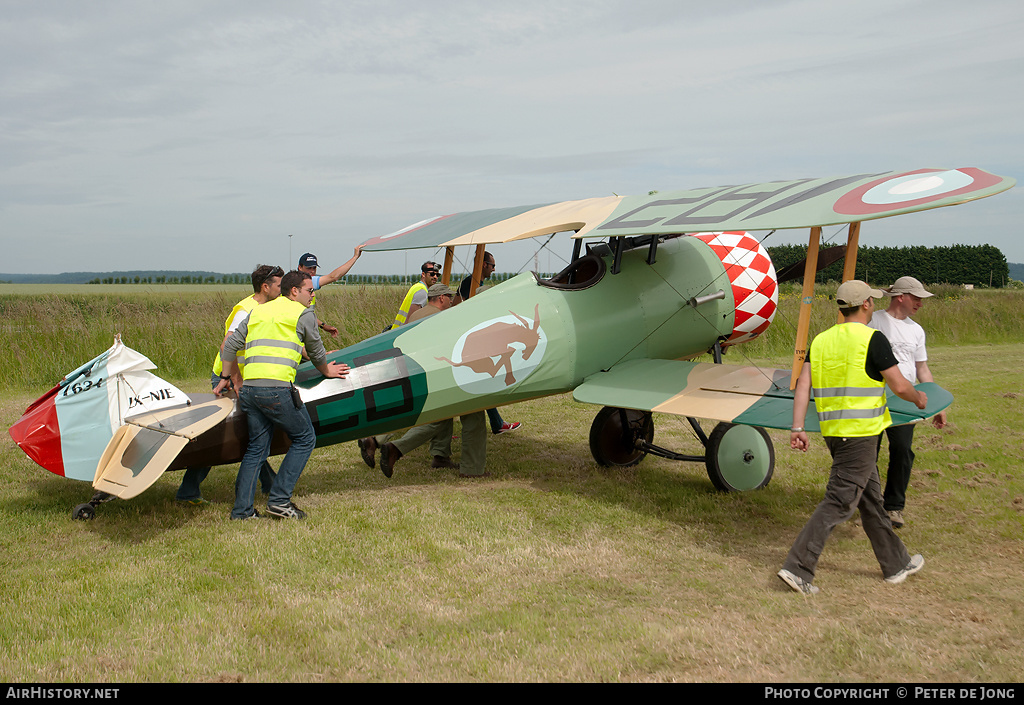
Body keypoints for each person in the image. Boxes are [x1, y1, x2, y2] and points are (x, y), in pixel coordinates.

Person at [778, 280, 928, 595]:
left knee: (872, 501)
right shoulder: (873, 339)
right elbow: (900, 386)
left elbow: (803, 385)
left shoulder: (821, 340)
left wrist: (797, 427)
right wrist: (919, 400)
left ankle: (896, 563)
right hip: (859, 436)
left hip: (835, 434)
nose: (873, 304)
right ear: (866, 305)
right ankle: (798, 568)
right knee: (839, 502)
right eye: (871, 300)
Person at [216, 270, 351, 520]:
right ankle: (279, 501)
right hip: (276, 390)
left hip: (251, 390)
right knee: (304, 438)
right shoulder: (303, 314)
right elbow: (316, 350)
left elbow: (232, 344)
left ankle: (242, 511)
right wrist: (326, 370)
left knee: (257, 448)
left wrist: (226, 377)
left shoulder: (259, 310)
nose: (313, 295)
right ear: (294, 291)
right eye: (309, 291)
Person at [175, 264, 282, 505]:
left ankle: (269, 482)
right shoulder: (246, 310)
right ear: (265, 287)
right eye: (279, 284)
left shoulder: (268, 306)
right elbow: (227, 346)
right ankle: (188, 491)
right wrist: (235, 380)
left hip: (244, 379)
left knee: (250, 433)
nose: (282, 288)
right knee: (222, 436)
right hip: (230, 379)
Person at [359, 283, 489, 478]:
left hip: (410, 371)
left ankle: (435, 454)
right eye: (450, 297)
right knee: (452, 417)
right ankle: (470, 468)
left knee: (422, 413)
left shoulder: (416, 315)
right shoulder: (446, 317)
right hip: (438, 374)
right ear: (442, 298)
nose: (453, 301)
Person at [869, 276, 947, 529]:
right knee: (869, 452)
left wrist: (937, 404)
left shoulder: (916, 330)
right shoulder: (875, 320)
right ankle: (869, 504)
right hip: (873, 397)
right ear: (900, 296)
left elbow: (922, 369)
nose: (920, 304)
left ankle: (893, 507)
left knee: (903, 451)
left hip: (906, 400)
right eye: (916, 299)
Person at [451, 250, 521, 435]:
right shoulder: (471, 283)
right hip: (471, 341)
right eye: (492, 265)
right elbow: (457, 307)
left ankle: (497, 422)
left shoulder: (473, 282)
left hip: (473, 339)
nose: (494, 269)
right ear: (484, 265)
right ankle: (495, 423)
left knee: (484, 380)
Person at [296, 245, 364, 338]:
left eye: (314, 268)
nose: (312, 271)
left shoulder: (303, 282)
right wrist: (355, 257)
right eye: (308, 268)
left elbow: (305, 314)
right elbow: (334, 276)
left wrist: (323, 325)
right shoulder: (302, 282)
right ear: (300, 267)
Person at [389, 261, 440, 329]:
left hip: (398, 329)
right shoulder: (421, 291)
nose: (435, 277)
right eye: (432, 274)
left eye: (437, 275)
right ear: (423, 274)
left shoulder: (417, 287)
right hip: (402, 331)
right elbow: (412, 319)